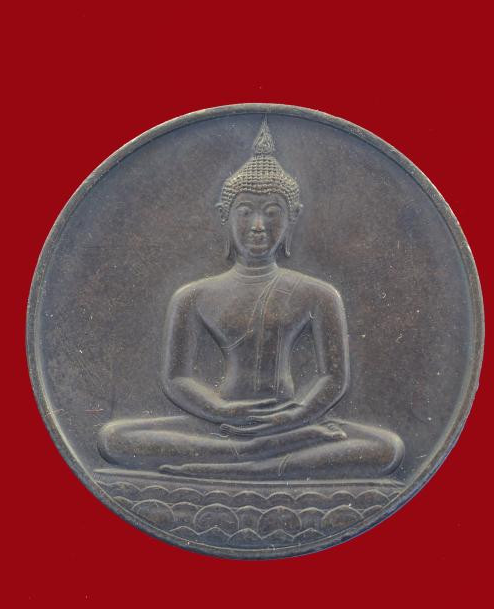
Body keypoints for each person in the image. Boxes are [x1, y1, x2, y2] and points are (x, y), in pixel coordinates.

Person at [99, 118, 404, 480]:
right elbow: (178, 378)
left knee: (388, 448)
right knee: (112, 438)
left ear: (292, 219)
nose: (258, 226)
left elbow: (333, 377)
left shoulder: (318, 294)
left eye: (272, 213)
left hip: (292, 421)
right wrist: (220, 411)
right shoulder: (192, 296)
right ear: (225, 216)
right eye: (245, 212)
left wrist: (295, 415)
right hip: (220, 425)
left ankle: (251, 459)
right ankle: (257, 457)